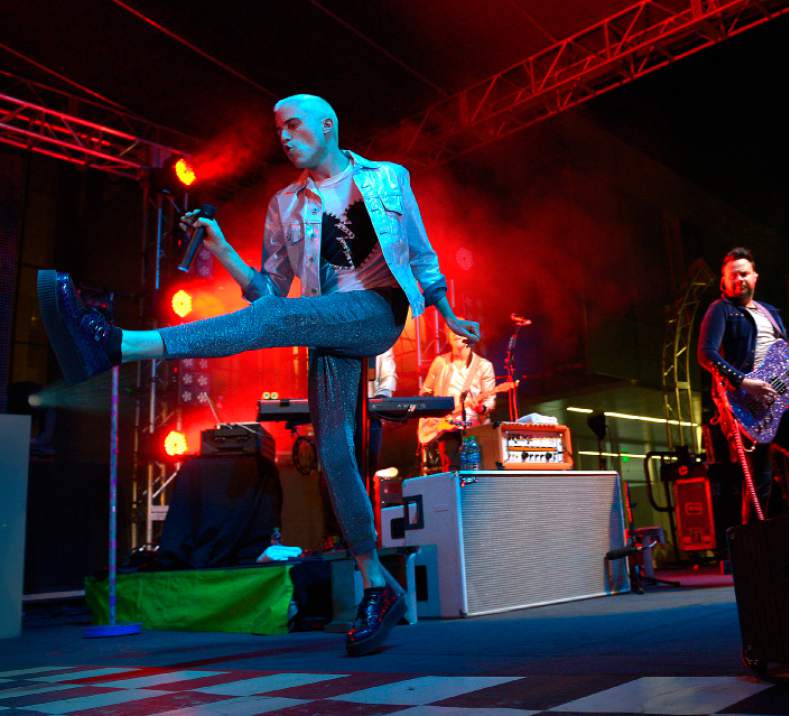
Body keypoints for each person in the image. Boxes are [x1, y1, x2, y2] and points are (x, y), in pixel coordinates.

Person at [36, 93, 480, 657]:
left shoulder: (390, 178)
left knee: (287, 337)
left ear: (328, 124)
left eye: (294, 126)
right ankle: (377, 585)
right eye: (278, 131)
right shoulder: (284, 207)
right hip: (324, 324)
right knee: (336, 453)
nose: (286, 137)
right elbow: (268, 298)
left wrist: (448, 309)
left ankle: (119, 344)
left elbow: (420, 255)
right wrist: (221, 248)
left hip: (377, 312)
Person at [697, 247, 789, 514]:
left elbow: (787, 358)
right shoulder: (721, 310)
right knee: (759, 487)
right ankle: (754, 551)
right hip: (747, 406)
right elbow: (706, 355)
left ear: (755, 277)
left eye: (744, 274)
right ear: (724, 281)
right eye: (733, 276)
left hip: (782, 405)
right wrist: (743, 382)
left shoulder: (770, 313)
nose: (739, 280)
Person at [419, 328, 496, 471]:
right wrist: (433, 416)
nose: (455, 333)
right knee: (451, 470)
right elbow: (425, 392)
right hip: (447, 427)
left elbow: (490, 400)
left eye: (459, 330)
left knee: (476, 470)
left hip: (474, 428)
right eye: (451, 331)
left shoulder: (484, 366)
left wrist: (480, 408)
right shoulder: (440, 362)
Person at [367, 346, 397, 474]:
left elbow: (389, 376)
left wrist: (381, 400)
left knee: (370, 465)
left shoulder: (381, 343)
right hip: (342, 415)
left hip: (372, 417)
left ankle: (369, 490)